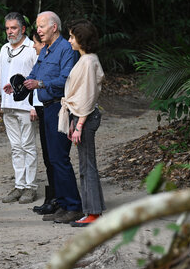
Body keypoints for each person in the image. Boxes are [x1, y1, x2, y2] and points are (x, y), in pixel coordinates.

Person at [23, 11, 83, 223]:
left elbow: (66, 79)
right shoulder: (46, 50)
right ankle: (62, 204)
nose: (38, 30)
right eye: (38, 26)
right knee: (50, 159)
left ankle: (74, 206)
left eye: (41, 26)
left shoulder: (66, 49)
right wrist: (19, 85)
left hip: (60, 108)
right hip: (46, 108)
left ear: (54, 27)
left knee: (59, 158)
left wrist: (40, 84)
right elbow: (34, 73)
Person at [58, 19, 105, 227]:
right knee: (86, 165)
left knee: (87, 166)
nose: (69, 41)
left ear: (81, 39)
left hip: (85, 117)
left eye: (72, 37)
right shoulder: (86, 59)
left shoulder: (88, 62)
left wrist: (79, 124)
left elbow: (88, 95)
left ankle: (93, 212)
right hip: (80, 115)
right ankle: (92, 210)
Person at [0, 12, 39, 204]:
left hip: (27, 106)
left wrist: (36, 105)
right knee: (16, 148)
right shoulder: (4, 49)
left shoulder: (32, 49)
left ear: (23, 29)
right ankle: (19, 185)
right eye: (7, 28)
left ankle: (31, 187)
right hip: (8, 106)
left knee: (28, 146)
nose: (10, 32)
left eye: (14, 28)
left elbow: (37, 76)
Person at [28, 31, 57, 215]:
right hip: (41, 108)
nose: (33, 46)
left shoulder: (53, 58)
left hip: (51, 107)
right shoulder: (42, 59)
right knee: (48, 156)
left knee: (54, 157)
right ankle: (52, 196)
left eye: (35, 43)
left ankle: (56, 198)